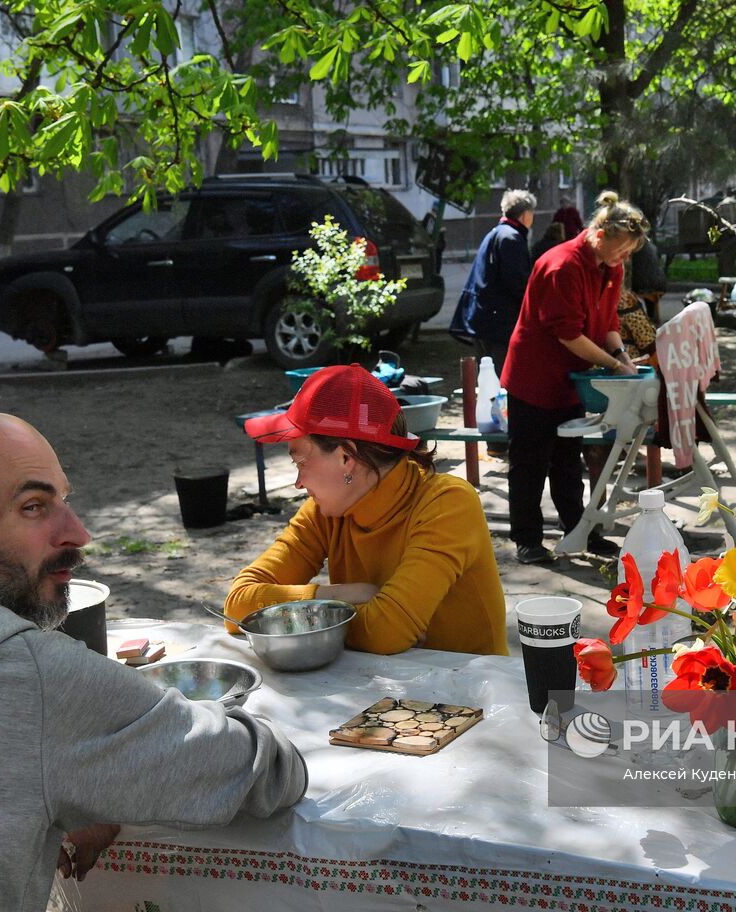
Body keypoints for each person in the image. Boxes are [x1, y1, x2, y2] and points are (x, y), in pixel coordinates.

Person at [0, 412, 307, 910]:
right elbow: (268, 770)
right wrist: (106, 774)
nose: (78, 533)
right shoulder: (34, 677)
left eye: (65, 501)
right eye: (33, 506)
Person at [226, 365, 508, 656]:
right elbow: (238, 603)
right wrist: (341, 596)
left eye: (300, 462)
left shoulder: (448, 503)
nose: (298, 483)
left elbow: (385, 632)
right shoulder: (326, 510)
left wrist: (301, 616)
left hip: (472, 692)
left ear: (346, 456)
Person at [500, 190, 649, 565]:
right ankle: (528, 539)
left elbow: (608, 323)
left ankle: (580, 531)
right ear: (599, 234)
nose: (624, 258)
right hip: (535, 377)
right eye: (622, 249)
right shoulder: (561, 265)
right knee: (530, 461)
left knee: (568, 462)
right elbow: (569, 335)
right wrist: (615, 368)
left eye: (630, 252)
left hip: (572, 380)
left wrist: (621, 356)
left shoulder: (611, 267)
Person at [447, 189, 537, 375]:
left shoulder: (496, 233)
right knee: (500, 379)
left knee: (488, 377)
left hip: (484, 319)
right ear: (525, 214)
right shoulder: (511, 238)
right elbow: (518, 282)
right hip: (499, 324)